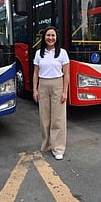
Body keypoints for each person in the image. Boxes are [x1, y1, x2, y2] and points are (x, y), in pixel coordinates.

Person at [33, 26, 70, 160]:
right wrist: (34, 89)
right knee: (44, 117)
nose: (50, 38)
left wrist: (65, 92)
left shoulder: (62, 53)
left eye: (53, 35)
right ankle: (47, 144)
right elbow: (36, 73)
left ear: (56, 37)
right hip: (43, 85)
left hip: (57, 85)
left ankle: (58, 148)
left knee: (58, 118)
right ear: (44, 37)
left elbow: (66, 74)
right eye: (48, 35)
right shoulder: (39, 53)